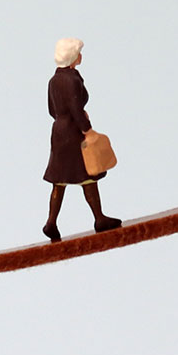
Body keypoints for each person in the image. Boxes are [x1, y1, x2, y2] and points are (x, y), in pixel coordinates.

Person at [42, 38, 122, 242]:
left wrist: (65, 118)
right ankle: (99, 218)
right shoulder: (72, 80)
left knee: (59, 180)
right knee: (88, 174)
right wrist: (87, 128)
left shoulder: (53, 80)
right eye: (78, 52)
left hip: (58, 131)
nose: (81, 56)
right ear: (72, 56)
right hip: (73, 132)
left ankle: (51, 222)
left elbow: (52, 110)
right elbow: (76, 109)